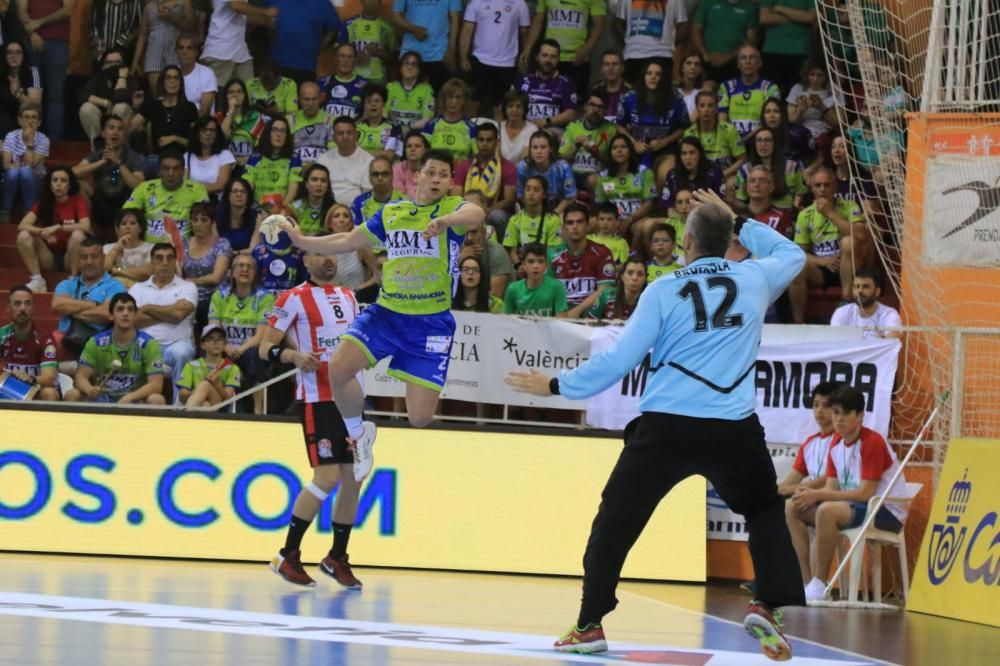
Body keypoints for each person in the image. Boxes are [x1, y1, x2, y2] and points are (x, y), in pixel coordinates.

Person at [505, 188, 807, 661]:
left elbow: (621, 359)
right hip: (733, 428)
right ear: (730, 242)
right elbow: (792, 252)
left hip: (667, 427)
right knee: (763, 510)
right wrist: (738, 219)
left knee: (616, 523)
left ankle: (589, 624)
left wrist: (557, 386)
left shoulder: (663, 290)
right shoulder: (755, 277)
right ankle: (768, 605)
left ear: (686, 243)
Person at [279, 149, 486, 472]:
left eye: (443, 175)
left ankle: (368, 430)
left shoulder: (452, 211)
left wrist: (446, 221)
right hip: (387, 313)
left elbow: (477, 214)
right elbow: (348, 239)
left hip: (430, 323)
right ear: (417, 176)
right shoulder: (393, 213)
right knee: (339, 366)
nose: (436, 179)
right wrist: (301, 240)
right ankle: (358, 434)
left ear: (449, 183)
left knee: (419, 418)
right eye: (431, 172)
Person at [261, 244, 367, 588]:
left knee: (354, 479)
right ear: (306, 260)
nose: (329, 258)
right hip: (318, 399)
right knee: (326, 478)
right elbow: (267, 348)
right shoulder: (292, 298)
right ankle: (286, 554)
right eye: (320, 253)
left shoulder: (350, 296)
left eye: (334, 254)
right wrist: (293, 356)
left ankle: (337, 557)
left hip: (352, 399)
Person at [788, 384, 906, 602]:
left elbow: (864, 494)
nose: (838, 419)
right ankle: (806, 582)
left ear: (859, 416)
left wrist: (818, 496)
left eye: (845, 413)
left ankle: (820, 584)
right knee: (792, 507)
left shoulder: (872, 442)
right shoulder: (836, 444)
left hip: (885, 511)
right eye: (835, 413)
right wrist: (809, 493)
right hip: (858, 509)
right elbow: (831, 487)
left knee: (826, 510)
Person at [789, 167, 865, 323]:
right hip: (821, 268)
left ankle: (846, 299)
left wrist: (831, 213)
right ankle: (798, 322)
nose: (822, 189)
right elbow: (799, 252)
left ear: (835, 186)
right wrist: (824, 261)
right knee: (794, 264)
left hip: (850, 265)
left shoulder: (849, 206)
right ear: (812, 188)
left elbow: (861, 236)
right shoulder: (805, 215)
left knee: (848, 241)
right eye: (818, 185)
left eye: (827, 185)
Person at [64, 292, 167, 405]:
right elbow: (80, 377)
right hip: (102, 398)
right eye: (120, 309)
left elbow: (156, 385)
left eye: (130, 310)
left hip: (134, 400)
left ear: (135, 315)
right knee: (72, 394)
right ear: (111, 315)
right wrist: (89, 389)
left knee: (157, 399)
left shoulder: (149, 344)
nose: (125, 313)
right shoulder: (96, 342)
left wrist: (130, 397)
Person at [208, 253, 274, 414]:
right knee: (211, 350)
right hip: (225, 350)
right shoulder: (220, 296)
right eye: (240, 265)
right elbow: (213, 329)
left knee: (254, 354)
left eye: (249, 266)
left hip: (249, 351)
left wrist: (240, 349)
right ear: (232, 271)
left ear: (255, 273)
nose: (245, 269)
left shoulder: (265, 297)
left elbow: (261, 336)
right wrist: (226, 347)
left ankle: (258, 409)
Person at [130, 242, 197, 391]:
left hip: (176, 344)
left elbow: (179, 315)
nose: (165, 263)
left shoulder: (187, 287)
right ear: (151, 262)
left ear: (175, 261)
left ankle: (180, 409)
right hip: (144, 345)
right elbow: (133, 320)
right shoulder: (137, 289)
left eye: (169, 258)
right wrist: (170, 310)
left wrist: (147, 308)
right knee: (126, 350)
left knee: (181, 352)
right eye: (159, 258)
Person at [72, 114, 146, 241]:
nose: (115, 132)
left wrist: (118, 163)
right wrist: (101, 162)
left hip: (125, 207)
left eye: (119, 129)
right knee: (78, 184)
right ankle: (89, 231)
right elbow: (72, 173)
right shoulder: (97, 154)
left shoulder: (134, 157)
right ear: (103, 133)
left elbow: (139, 187)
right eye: (111, 128)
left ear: (124, 135)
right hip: (101, 205)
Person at [16, 166, 91, 284]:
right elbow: (22, 225)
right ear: (50, 185)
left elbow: (85, 226)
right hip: (48, 256)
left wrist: (58, 227)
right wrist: (42, 232)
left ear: (69, 185)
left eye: (63, 181)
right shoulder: (44, 201)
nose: (59, 184)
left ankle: (74, 280)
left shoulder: (77, 200)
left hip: (70, 256)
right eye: (55, 180)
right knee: (23, 235)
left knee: (78, 235)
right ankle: (38, 280)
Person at [51, 236, 127, 352]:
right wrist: (95, 304)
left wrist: (72, 312)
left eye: (94, 257)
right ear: (78, 261)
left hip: (99, 345)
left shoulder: (115, 286)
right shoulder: (66, 284)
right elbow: (58, 305)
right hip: (65, 341)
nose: (89, 262)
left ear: (103, 258)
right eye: (84, 257)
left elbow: (107, 313)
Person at [617, 59, 690, 177]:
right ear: (643, 76)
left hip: (665, 148)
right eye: (649, 73)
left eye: (658, 74)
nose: (653, 77)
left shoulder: (676, 98)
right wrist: (633, 143)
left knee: (665, 174)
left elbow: (683, 127)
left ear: (664, 78)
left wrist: (664, 142)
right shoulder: (628, 98)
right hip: (636, 148)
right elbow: (620, 125)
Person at [520, 0, 606, 97]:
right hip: (550, 59)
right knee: (545, 97)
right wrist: (528, 48)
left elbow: (599, 24)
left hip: (577, 59)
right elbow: (538, 21)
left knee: (576, 102)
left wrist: (585, 51)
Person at [123, 147, 210, 243]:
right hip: (149, 249)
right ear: (159, 171)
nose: (171, 173)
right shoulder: (145, 188)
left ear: (183, 172)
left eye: (176, 169)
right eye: (166, 168)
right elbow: (124, 216)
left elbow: (207, 222)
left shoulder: (196, 189)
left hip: (184, 249)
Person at [459, 0, 529, 118]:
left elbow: (525, 32)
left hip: (507, 62)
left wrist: (526, 55)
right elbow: (467, 30)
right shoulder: (476, 3)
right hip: (479, 59)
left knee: (501, 105)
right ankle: (468, 132)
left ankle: (501, 134)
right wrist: (463, 57)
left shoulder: (519, 3)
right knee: (473, 101)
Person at [548, 203, 616, 315]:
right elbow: (546, 289)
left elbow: (604, 288)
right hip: (560, 312)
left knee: (611, 293)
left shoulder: (602, 253)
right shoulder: (552, 254)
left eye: (580, 222)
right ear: (564, 228)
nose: (575, 226)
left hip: (591, 313)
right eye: (570, 223)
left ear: (587, 225)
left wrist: (575, 312)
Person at [18, 0, 72, 139]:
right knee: (32, 94)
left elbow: (68, 10)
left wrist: (39, 22)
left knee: (56, 96)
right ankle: (30, 138)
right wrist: (32, 33)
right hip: (30, 42)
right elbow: (21, 9)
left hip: (57, 43)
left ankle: (55, 142)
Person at [0, 285, 60, 401]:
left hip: (37, 389)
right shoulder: (1, 335)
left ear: (32, 308)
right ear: (8, 308)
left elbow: (49, 378)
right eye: (17, 304)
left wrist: (31, 379)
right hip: (9, 388)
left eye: (27, 303)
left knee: (49, 393)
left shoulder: (45, 339)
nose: (23, 308)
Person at [261, 0, 342, 85]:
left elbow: (334, 28)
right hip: (276, 64)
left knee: (303, 97)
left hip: (305, 66)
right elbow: (262, 20)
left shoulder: (322, 2)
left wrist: (319, 49)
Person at [453, 123, 516, 227]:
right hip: (466, 209)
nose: (484, 144)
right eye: (481, 140)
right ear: (476, 142)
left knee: (498, 216)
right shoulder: (465, 165)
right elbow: (456, 195)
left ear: (497, 142)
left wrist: (487, 210)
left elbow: (509, 199)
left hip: (492, 211)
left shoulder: (507, 166)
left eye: (489, 140)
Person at [201, 0, 276, 87]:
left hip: (240, 53)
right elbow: (237, 6)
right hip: (220, 52)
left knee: (248, 93)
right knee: (219, 96)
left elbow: (241, 16)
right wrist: (265, 12)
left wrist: (266, 21)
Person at [182, 202, 232, 330]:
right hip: (188, 294)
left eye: (204, 220)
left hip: (214, 295)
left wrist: (188, 282)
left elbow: (216, 278)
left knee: (202, 307)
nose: (198, 224)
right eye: (195, 220)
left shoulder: (222, 244)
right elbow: (178, 272)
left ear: (212, 223)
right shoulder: (184, 244)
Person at [390, 0, 461, 92]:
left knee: (439, 96)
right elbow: (395, 16)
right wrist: (413, 29)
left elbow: (455, 18)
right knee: (407, 96)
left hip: (439, 52)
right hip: (410, 54)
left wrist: (452, 48)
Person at [594, 133, 656, 238]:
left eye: (623, 147)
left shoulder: (644, 172)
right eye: (615, 148)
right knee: (591, 224)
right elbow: (601, 205)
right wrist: (612, 220)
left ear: (630, 151)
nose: (619, 150)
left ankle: (633, 253)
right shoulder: (603, 176)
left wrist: (629, 219)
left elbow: (648, 204)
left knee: (641, 227)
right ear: (610, 153)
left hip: (637, 218)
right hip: (612, 219)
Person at [77, 48, 141, 149]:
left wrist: (122, 77)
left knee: (119, 108)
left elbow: (119, 98)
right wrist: (105, 102)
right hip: (104, 121)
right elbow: (82, 96)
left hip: (126, 123)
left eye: (117, 62)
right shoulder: (99, 77)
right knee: (86, 108)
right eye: (109, 62)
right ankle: (98, 147)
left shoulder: (130, 80)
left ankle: (119, 149)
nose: (114, 65)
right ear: (103, 66)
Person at [129, 64, 198, 157]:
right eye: (168, 78)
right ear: (162, 82)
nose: (172, 81)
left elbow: (196, 142)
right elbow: (128, 128)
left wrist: (175, 138)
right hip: (157, 159)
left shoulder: (189, 107)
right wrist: (134, 107)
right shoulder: (153, 106)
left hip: (182, 158)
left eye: (176, 78)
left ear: (181, 83)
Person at [614, 0, 687, 84]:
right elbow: (618, 22)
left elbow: (684, 25)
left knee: (659, 94)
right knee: (633, 94)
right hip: (633, 55)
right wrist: (628, 42)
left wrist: (670, 42)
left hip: (662, 54)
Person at [131, 0, 196, 94]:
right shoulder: (149, 6)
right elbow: (143, 35)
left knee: (176, 90)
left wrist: (172, 16)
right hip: (154, 52)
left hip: (175, 51)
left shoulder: (184, 2)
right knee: (157, 93)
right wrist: (135, 61)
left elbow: (191, 27)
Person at [734, 127, 806, 210]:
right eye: (759, 140)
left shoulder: (791, 166)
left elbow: (801, 192)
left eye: (767, 140)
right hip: (756, 216)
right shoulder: (745, 169)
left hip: (785, 215)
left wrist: (796, 204)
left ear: (775, 144)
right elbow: (740, 199)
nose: (763, 144)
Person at [719, 45, 782, 139]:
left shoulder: (770, 88)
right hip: (731, 141)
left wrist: (745, 140)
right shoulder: (726, 86)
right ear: (738, 64)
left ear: (760, 63)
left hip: (760, 139)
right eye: (743, 58)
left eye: (752, 57)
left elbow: (771, 121)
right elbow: (722, 121)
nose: (747, 61)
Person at [683, 90, 746, 184]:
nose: (706, 110)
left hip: (725, 176)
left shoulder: (729, 130)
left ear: (716, 108)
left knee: (732, 183)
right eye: (702, 105)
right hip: (699, 178)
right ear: (697, 108)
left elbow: (742, 159)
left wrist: (722, 175)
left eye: (710, 105)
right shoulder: (689, 133)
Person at [692, 0, 759, 86]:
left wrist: (728, 57)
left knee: (733, 93)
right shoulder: (707, 3)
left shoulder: (750, 7)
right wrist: (705, 54)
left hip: (736, 62)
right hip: (708, 61)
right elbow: (696, 30)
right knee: (707, 92)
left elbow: (752, 38)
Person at [514, 39, 577, 131]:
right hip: (525, 129)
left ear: (558, 59)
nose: (548, 60)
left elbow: (570, 114)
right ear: (537, 57)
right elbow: (509, 105)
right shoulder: (523, 80)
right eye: (544, 55)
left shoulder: (565, 82)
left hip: (553, 129)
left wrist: (545, 121)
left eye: (553, 57)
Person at [1, 101, 48, 223]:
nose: (30, 121)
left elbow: (31, 164)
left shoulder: (44, 140)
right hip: (13, 178)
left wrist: (29, 142)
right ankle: (5, 211)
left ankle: (29, 211)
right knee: (13, 173)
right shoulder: (11, 136)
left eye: (34, 117)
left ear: (39, 123)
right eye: (26, 117)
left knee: (25, 171)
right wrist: (18, 168)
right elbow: (6, 165)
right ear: (19, 120)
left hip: (35, 180)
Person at [559, 90, 617, 187]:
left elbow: (612, 162)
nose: (596, 110)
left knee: (593, 180)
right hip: (574, 173)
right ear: (585, 107)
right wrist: (575, 147)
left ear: (605, 110)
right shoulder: (573, 127)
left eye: (600, 107)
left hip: (597, 174)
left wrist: (593, 149)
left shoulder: (611, 130)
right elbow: (562, 159)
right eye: (592, 105)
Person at [244, 117, 302, 212]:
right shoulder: (255, 157)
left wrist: (280, 209)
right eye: (275, 130)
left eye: (283, 131)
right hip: (258, 208)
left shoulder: (294, 158)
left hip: (283, 209)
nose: (278, 134)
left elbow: (293, 190)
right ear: (268, 133)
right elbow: (248, 186)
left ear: (287, 136)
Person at [503, 175, 562, 267]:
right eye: (528, 189)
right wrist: (519, 266)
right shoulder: (514, 220)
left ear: (544, 195)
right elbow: (512, 251)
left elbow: (552, 252)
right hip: (521, 268)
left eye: (536, 190)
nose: (531, 193)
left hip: (544, 267)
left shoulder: (553, 220)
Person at [759, 1, 817, 95]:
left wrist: (781, 9)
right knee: (769, 96)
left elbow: (811, 17)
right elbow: (764, 18)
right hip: (772, 51)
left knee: (796, 97)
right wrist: (797, 16)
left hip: (800, 52)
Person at [176, 323, 241, 407]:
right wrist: (201, 392)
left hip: (221, 409)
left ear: (225, 344)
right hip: (202, 406)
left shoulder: (232, 368)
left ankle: (187, 417)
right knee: (205, 404)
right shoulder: (191, 365)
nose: (216, 342)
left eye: (220, 338)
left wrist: (217, 385)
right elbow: (182, 395)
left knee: (205, 385)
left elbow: (228, 399)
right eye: (210, 338)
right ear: (202, 345)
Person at [316, 116, 374, 205]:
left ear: (356, 135)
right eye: (340, 133)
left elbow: (368, 195)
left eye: (349, 133)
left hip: (357, 210)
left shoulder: (369, 161)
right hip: (327, 209)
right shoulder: (323, 159)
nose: (345, 137)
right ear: (334, 137)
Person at [516, 131, 577, 214]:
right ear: (530, 149)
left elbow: (570, 197)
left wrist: (554, 215)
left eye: (543, 147)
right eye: (535, 147)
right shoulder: (523, 167)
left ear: (550, 149)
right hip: (533, 208)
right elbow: (521, 195)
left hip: (560, 210)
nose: (539, 151)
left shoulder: (563, 167)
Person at [830, 269, 902, 339]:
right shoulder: (842, 312)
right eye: (856, 287)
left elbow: (891, 341)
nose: (860, 291)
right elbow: (834, 342)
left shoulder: (888, 314)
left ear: (877, 291)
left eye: (865, 287)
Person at [502, 242, 568, 317]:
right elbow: (506, 322)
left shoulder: (556, 287)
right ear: (523, 264)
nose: (535, 266)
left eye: (540, 261)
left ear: (546, 265)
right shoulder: (513, 289)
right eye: (531, 261)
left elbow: (562, 322)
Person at [325, 202, 378, 293]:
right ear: (329, 223)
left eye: (346, 216)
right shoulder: (323, 249)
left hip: (357, 299)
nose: (341, 220)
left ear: (350, 223)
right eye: (336, 216)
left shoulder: (360, 247)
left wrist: (358, 290)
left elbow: (378, 274)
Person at [340, 0, 397, 84]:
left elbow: (394, 58)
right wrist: (354, 56)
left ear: (380, 2)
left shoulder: (388, 27)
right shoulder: (348, 24)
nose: (372, 2)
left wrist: (380, 53)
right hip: (353, 77)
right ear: (362, 1)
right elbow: (338, 53)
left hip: (378, 79)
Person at [421, 78, 476, 162]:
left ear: (464, 101)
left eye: (458, 97)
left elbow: (478, 156)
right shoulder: (430, 125)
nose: (454, 102)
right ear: (444, 99)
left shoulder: (472, 128)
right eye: (450, 97)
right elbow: (422, 154)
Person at [661, 136, 723, 210]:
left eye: (692, 153)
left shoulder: (714, 173)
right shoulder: (672, 175)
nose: (688, 157)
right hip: (680, 217)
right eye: (684, 153)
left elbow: (721, 205)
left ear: (700, 154)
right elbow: (669, 208)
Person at [217, 77, 266, 168]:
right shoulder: (219, 117)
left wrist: (249, 159)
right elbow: (220, 138)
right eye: (231, 92)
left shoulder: (254, 117)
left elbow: (262, 146)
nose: (235, 94)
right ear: (225, 96)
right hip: (225, 166)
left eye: (239, 92)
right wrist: (231, 111)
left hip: (249, 165)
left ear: (244, 96)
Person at [184, 115, 236, 197]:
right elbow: (184, 183)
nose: (208, 133)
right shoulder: (187, 156)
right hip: (191, 200)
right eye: (204, 130)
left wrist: (194, 190)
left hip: (215, 201)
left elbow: (221, 185)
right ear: (197, 133)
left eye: (212, 130)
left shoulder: (225, 155)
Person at [0, 39, 41, 137]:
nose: (14, 56)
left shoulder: (32, 72)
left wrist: (18, 95)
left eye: (18, 52)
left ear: (24, 55)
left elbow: (36, 105)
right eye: (9, 52)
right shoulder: (1, 73)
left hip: (24, 120)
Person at [787, 62, 837, 141]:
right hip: (801, 132)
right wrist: (801, 111)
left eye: (819, 75)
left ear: (826, 76)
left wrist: (821, 107)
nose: (815, 79)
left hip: (825, 134)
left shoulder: (834, 91)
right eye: (812, 75)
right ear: (806, 75)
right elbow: (790, 119)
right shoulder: (798, 88)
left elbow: (838, 123)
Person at [584, 255, 646, 320]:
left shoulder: (650, 301)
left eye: (640, 274)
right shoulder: (606, 295)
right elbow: (589, 321)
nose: (634, 278)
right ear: (622, 276)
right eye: (630, 273)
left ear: (645, 279)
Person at [103, 209, 153, 286]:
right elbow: (103, 270)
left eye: (133, 223)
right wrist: (116, 249)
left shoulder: (151, 248)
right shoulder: (107, 248)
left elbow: (145, 274)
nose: (128, 226)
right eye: (123, 224)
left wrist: (116, 270)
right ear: (118, 228)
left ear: (140, 228)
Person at [386, 51, 435, 130]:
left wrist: (408, 129)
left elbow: (427, 118)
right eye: (406, 63)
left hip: (415, 132)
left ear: (419, 69)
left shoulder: (426, 89)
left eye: (413, 64)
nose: (409, 67)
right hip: (391, 132)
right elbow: (383, 114)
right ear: (400, 68)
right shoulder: (390, 87)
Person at [743, 165, 794, 240]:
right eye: (752, 181)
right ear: (747, 187)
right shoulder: (736, 214)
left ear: (771, 187)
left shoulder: (781, 217)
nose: (756, 185)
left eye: (762, 181)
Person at [288, 81, 332, 166]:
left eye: (314, 99)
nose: (310, 104)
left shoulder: (331, 120)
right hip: (295, 170)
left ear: (320, 99)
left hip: (322, 170)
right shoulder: (289, 121)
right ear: (299, 100)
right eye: (306, 99)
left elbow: (333, 152)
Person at [318, 43, 367, 120]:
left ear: (355, 60)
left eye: (349, 57)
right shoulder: (323, 83)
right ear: (335, 59)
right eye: (342, 56)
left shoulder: (365, 86)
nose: (346, 60)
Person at [353, 157, 406, 228]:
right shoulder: (359, 203)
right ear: (369, 177)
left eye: (385, 174)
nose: (380, 178)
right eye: (375, 174)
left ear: (392, 176)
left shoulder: (406, 203)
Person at [356, 83, 403, 161]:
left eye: (377, 101)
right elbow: (351, 154)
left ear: (383, 104)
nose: (373, 104)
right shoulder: (357, 127)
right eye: (369, 101)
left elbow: (389, 155)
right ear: (364, 105)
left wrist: (363, 154)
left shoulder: (394, 127)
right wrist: (380, 153)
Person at [289, 163, 336, 236]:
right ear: (306, 184)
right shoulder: (294, 208)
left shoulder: (334, 209)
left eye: (323, 181)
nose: (319, 184)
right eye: (314, 180)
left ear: (328, 185)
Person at [175, 34, 217, 116]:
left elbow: (205, 110)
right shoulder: (171, 74)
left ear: (196, 52)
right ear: (176, 52)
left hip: (201, 123)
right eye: (181, 48)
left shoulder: (207, 74)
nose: (184, 52)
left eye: (189, 48)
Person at [215, 176, 259, 253]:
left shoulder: (257, 217)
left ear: (248, 196)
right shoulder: (217, 215)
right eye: (235, 191)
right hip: (221, 258)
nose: (239, 194)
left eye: (243, 191)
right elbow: (214, 246)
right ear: (228, 195)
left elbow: (253, 249)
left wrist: (236, 253)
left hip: (246, 259)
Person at [591, 50, 631, 124]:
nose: (610, 68)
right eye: (607, 64)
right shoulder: (595, 89)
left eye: (615, 64)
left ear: (622, 68)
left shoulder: (631, 91)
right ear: (602, 68)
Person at [498, 89, 538, 163]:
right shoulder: (497, 127)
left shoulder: (532, 129)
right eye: (510, 106)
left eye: (518, 106)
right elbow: (495, 157)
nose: (514, 110)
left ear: (524, 110)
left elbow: (525, 159)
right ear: (505, 109)